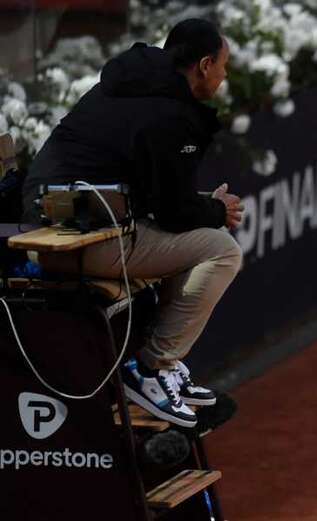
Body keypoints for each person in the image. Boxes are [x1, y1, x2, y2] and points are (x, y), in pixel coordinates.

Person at [21, 19, 244, 428]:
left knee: (198, 237)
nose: (225, 76)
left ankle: (163, 366)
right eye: (224, 66)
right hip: (83, 239)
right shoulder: (169, 113)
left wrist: (201, 207)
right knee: (221, 249)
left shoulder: (131, 85)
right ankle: (153, 370)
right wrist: (215, 211)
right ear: (205, 64)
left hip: (56, 222)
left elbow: (156, 195)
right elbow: (174, 213)